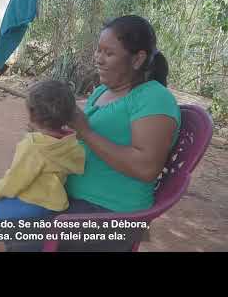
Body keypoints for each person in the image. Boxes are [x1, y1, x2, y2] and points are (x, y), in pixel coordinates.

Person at [60, 15, 181, 251]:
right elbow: (86, 138)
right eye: (98, 51)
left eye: (109, 53)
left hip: (110, 216)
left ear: (138, 58)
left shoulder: (153, 98)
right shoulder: (102, 91)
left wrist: (84, 131)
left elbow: (146, 168)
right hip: (71, 200)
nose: (98, 59)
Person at [0, 80, 85, 232]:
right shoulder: (70, 141)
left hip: (30, 205)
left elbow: (14, 182)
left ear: (32, 115)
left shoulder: (33, 147)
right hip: (53, 204)